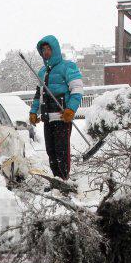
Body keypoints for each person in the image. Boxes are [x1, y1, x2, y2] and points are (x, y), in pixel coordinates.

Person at [29, 35, 84, 180]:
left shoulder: (68, 66)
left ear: (55, 50)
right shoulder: (42, 71)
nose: (46, 52)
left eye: (48, 49)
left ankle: (64, 179)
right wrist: (33, 112)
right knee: (51, 152)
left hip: (62, 117)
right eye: (43, 50)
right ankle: (56, 180)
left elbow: (77, 89)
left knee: (62, 152)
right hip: (48, 118)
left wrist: (71, 109)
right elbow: (38, 94)